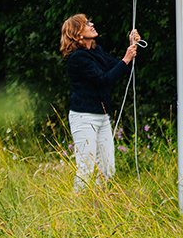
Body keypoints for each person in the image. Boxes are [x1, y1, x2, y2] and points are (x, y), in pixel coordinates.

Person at [60, 13, 141, 192]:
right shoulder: (77, 58)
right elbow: (103, 80)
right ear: (77, 33)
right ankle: (77, 210)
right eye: (86, 23)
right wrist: (126, 59)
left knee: (107, 168)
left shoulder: (96, 51)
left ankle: (97, 209)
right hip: (83, 117)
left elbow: (119, 68)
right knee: (86, 168)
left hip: (102, 116)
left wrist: (132, 46)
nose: (92, 24)